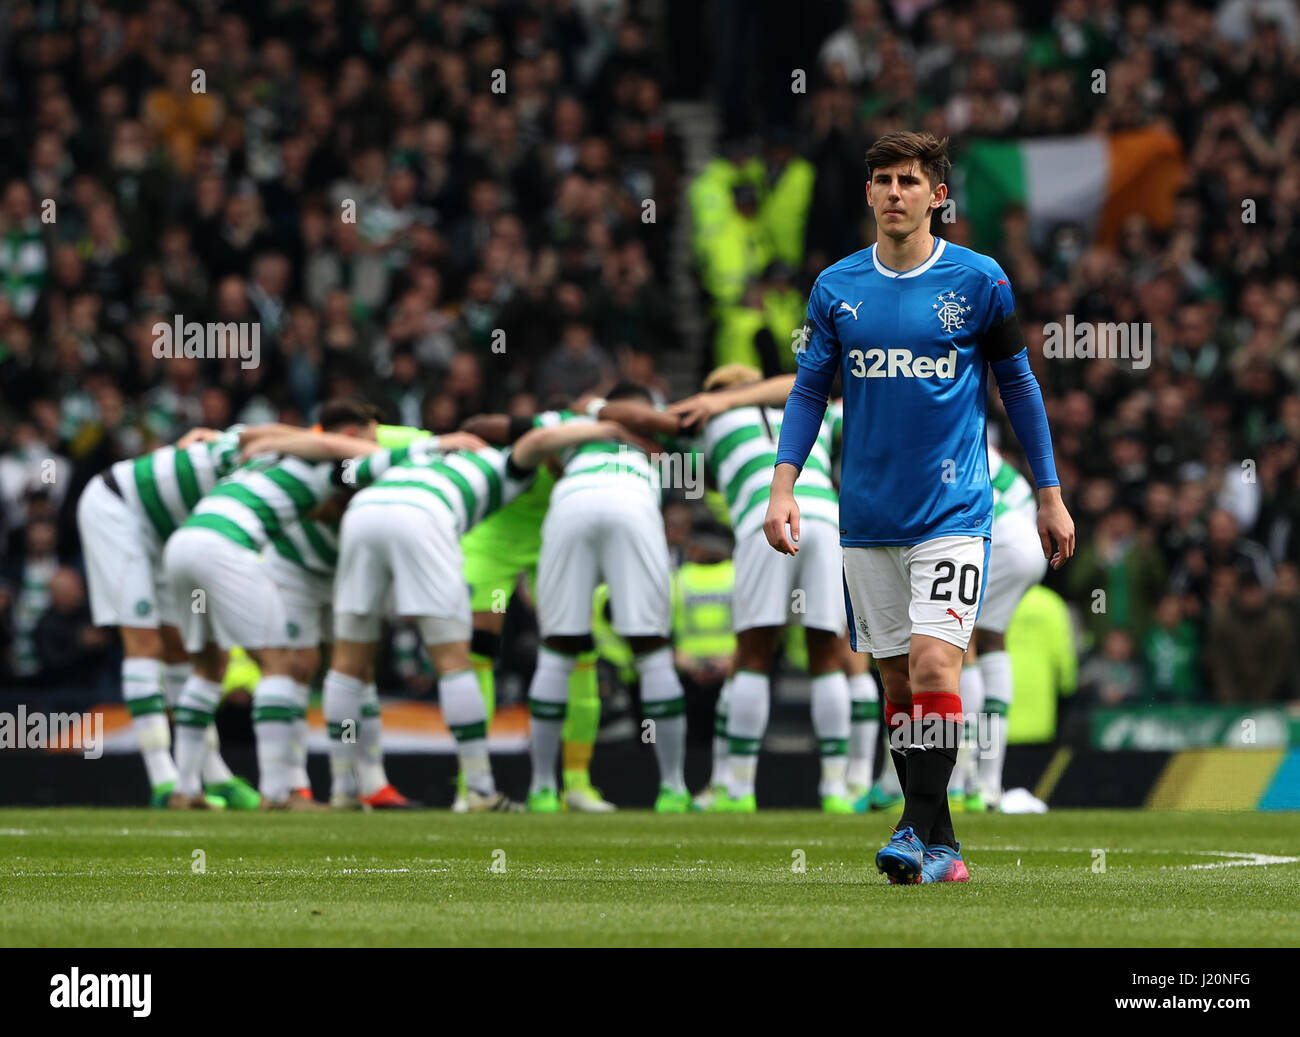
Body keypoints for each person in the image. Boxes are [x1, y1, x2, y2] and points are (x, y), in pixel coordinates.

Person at [763, 131, 1074, 884]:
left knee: (937, 662)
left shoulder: (979, 280)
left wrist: (1049, 491)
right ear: (867, 193)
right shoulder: (837, 287)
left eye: (908, 180)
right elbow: (808, 391)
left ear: (938, 195)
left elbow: (1020, 386)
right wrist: (783, 483)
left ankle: (909, 825)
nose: (894, 192)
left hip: (953, 512)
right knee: (897, 681)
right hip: (868, 514)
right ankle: (944, 843)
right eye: (882, 180)